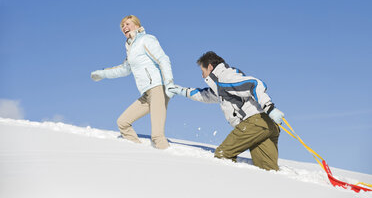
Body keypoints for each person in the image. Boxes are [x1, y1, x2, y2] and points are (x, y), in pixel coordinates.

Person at [169, 51, 284, 170]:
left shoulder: (226, 77)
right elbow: (206, 95)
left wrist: (270, 107)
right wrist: (181, 91)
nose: (202, 76)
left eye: (203, 71)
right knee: (267, 169)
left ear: (210, 66)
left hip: (254, 122)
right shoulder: (221, 85)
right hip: (266, 124)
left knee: (223, 154)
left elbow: (254, 84)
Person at [90, 15, 175, 149]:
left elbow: (163, 59)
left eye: (127, 24)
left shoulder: (146, 39)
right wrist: (102, 73)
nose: (125, 27)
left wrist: (169, 82)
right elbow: (124, 69)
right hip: (147, 93)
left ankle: (171, 164)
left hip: (158, 88)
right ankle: (138, 153)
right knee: (123, 122)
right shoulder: (130, 49)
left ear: (136, 25)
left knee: (157, 137)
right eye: (122, 26)